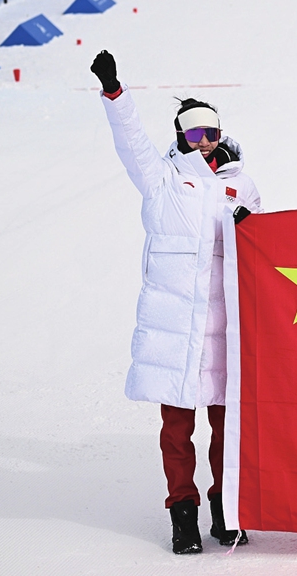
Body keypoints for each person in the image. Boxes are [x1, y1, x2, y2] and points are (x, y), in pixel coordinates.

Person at [90, 51, 260, 554]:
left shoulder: (242, 183)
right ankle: (182, 513)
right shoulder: (160, 178)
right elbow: (132, 143)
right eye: (192, 134)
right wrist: (115, 93)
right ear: (180, 137)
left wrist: (253, 227)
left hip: (226, 327)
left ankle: (226, 508)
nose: (203, 142)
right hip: (175, 329)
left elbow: (268, 251)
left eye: (209, 133)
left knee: (226, 429)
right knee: (177, 430)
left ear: (221, 133)